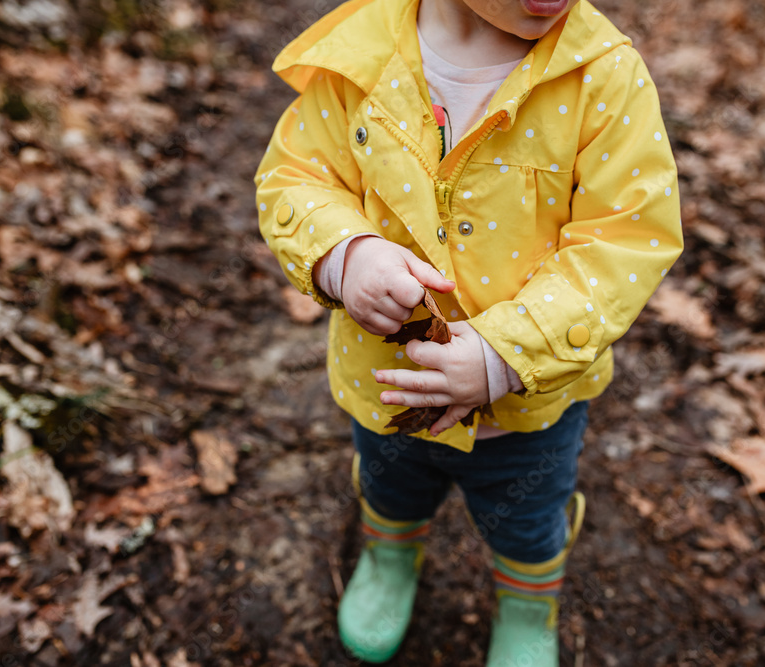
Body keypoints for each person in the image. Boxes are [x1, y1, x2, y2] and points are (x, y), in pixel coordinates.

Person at [255, 0, 683, 663]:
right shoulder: (361, 55)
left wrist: (509, 350)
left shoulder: (601, 76)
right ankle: (391, 557)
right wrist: (347, 253)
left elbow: (624, 239)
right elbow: (296, 177)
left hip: (527, 410)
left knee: (525, 522)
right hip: (389, 383)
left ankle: (528, 603)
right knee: (391, 487)